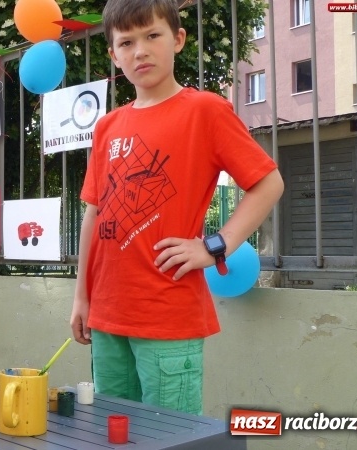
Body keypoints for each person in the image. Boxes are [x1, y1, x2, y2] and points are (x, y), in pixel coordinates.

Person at [70, 0, 284, 416]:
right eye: (126, 42)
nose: (140, 51)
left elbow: (268, 183)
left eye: (152, 36)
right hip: (107, 313)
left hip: (168, 314)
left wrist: (214, 245)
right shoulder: (107, 126)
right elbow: (93, 213)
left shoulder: (205, 110)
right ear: (113, 54)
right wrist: (81, 297)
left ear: (178, 39)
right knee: (112, 434)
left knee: (170, 438)